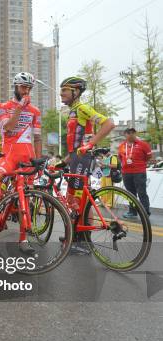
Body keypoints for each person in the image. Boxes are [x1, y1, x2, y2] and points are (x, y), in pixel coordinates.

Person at [0, 72, 42, 254]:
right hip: (9, 155)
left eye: (29, 88)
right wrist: (19, 108)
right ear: (16, 86)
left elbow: (38, 138)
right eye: (23, 87)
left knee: (24, 196)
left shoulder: (35, 111)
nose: (26, 91)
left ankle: (23, 239)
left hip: (27, 156)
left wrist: (38, 161)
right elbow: (8, 127)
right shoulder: (3, 106)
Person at [59, 76, 115, 254]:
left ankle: (83, 241)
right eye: (61, 91)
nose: (61, 94)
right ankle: (76, 234)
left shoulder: (82, 108)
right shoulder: (72, 111)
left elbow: (109, 123)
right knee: (76, 199)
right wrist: (63, 162)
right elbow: (75, 145)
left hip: (83, 160)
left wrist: (91, 144)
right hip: (76, 159)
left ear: (76, 92)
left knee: (78, 200)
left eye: (65, 91)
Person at [118, 128, 152, 217]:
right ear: (125, 134)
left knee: (142, 192)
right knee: (130, 193)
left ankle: (145, 211)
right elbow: (120, 157)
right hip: (126, 172)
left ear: (135, 133)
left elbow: (148, 157)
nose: (131, 134)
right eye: (128, 132)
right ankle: (132, 212)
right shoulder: (121, 145)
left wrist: (140, 164)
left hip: (139, 172)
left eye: (133, 132)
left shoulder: (143, 144)